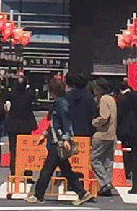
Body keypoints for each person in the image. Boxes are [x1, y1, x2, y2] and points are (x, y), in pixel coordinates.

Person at [25, 74, 92, 205]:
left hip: (58, 142)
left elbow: (65, 122)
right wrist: (45, 134)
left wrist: (66, 138)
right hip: (56, 140)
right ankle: (82, 193)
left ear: (52, 91)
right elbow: (54, 124)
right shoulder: (59, 103)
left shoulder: (62, 104)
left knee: (47, 169)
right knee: (66, 170)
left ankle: (38, 195)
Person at [5, 70, 38, 176]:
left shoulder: (13, 94)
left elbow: (7, 94)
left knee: (13, 150)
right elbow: (34, 96)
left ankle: (14, 173)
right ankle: (28, 173)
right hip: (26, 125)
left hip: (13, 125)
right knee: (27, 150)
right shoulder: (29, 94)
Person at [90, 77, 117, 196]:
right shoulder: (111, 99)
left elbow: (104, 117)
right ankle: (107, 184)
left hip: (102, 134)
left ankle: (104, 183)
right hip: (112, 134)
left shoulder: (103, 99)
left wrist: (94, 122)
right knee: (108, 160)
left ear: (99, 89)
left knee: (95, 160)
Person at [65, 73, 96, 138]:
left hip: (70, 131)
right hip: (85, 131)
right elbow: (93, 113)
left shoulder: (68, 96)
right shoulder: (89, 96)